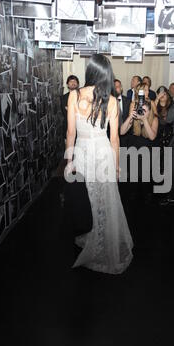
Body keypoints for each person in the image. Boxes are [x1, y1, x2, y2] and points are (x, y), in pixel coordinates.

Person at [64, 54, 133, 274]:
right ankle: (102, 241)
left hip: (83, 152)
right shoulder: (111, 100)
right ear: (106, 74)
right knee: (104, 199)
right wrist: (116, 166)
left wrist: (69, 161)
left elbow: (70, 133)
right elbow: (115, 139)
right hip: (103, 152)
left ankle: (91, 236)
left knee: (88, 198)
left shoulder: (74, 95)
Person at [120, 83, 159, 203]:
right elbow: (122, 132)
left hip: (147, 147)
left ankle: (146, 195)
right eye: (141, 109)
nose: (142, 111)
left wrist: (145, 120)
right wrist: (131, 118)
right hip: (134, 145)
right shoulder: (134, 111)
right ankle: (133, 195)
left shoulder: (154, 119)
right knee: (133, 175)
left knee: (145, 176)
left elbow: (152, 137)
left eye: (145, 110)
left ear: (150, 110)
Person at [61, 75, 79, 141]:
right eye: (71, 81)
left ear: (78, 84)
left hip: (80, 128)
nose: (73, 83)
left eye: (75, 81)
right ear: (67, 84)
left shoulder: (82, 96)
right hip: (68, 126)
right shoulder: (64, 98)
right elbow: (65, 113)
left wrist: (71, 109)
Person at [114, 78, 131, 147]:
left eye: (118, 87)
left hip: (126, 136)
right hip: (112, 134)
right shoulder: (108, 102)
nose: (116, 88)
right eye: (114, 87)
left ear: (121, 88)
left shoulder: (128, 101)